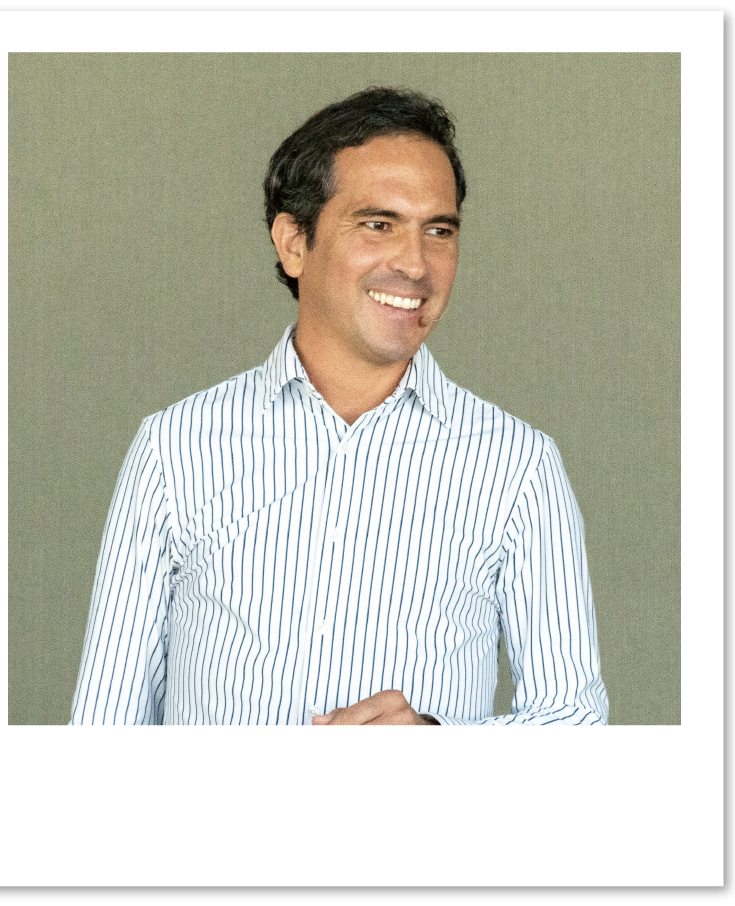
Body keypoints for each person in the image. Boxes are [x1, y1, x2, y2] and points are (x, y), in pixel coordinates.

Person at [70, 87, 609, 726]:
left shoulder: (518, 466)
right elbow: (104, 729)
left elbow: (574, 721)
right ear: (294, 243)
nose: (416, 263)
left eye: (439, 230)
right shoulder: (174, 449)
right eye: (378, 224)